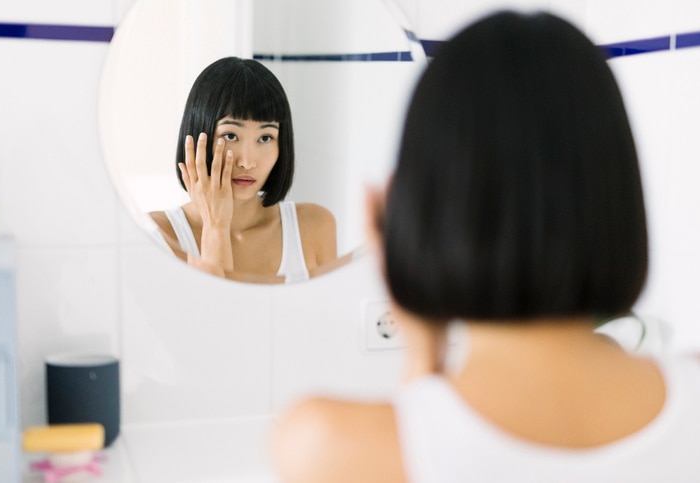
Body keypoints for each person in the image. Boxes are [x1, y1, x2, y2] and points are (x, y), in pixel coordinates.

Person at [270, 10, 700, 482]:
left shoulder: (326, 444)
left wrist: (423, 355)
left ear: (414, 209)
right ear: (617, 196)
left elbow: (432, 444)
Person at [149, 57, 337, 282]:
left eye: (266, 137)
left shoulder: (315, 226)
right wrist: (216, 226)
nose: (247, 162)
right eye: (230, 136)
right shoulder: (156, 236)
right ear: (198, 137)